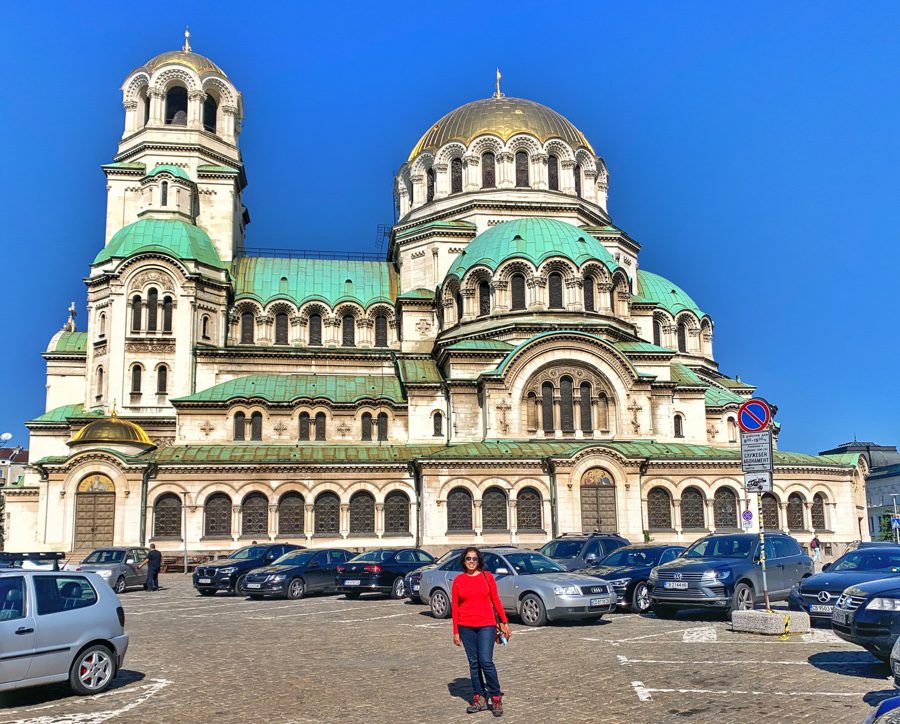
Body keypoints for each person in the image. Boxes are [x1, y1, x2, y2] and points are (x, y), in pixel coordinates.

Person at [451, 547, 511, 717]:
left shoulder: (487, 577)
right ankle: (479, 697)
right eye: (468, 558)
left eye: (474, 559)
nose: (471, 562)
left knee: (486, 661)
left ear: (479, 561)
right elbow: (455, 607)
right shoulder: (458, 580)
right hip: (465, 626)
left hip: (486, 624)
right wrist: (455, 632)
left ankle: (496, 697)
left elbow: (496, 600)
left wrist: (504, 622)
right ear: (463, 561)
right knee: (474, 663)